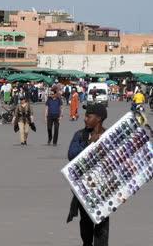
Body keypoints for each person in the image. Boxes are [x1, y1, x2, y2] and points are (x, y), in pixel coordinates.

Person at [67, 104, 109, 246]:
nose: (85, 119)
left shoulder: (110, 136)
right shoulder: (80, 135)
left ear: (99, 119)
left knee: (102, 226)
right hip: (83, 189)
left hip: (104, 190)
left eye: (88, 116)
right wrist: (89, 144)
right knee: (85, 223)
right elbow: (71, 155)